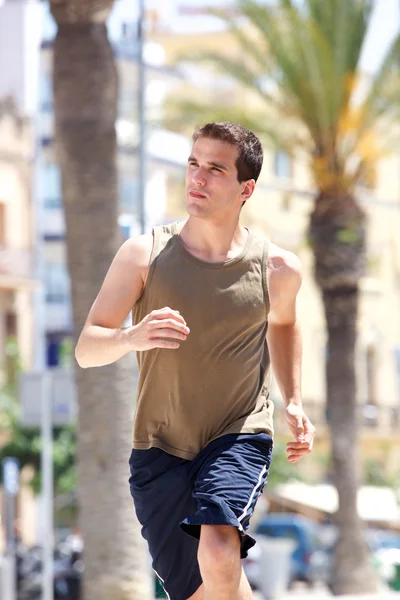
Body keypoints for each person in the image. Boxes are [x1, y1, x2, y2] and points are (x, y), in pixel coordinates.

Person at [75, 121, 316, 600]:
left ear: (246, 188)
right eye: (193, 164)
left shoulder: (278, 269)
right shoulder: (143, 255)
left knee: (221, 551)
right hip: (159, 449)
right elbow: (87, 348)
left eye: (215, 169)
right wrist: (132, 337)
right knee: (205, 590)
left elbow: (284, 325)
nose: (197, 178)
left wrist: (293, 400)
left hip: (238, 433)